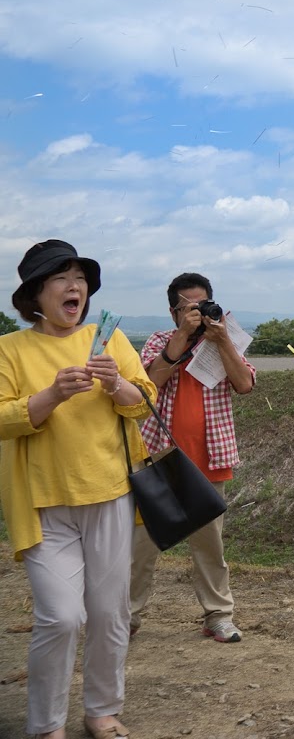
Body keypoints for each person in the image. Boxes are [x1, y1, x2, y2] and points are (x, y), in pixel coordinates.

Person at [0, 240, 158, 739]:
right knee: (62, 617)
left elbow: (144, 401)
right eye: (61, 279)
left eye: (81, 279)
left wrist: (117, 386)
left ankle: (102, 711)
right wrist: (49, 395)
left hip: (111, 494)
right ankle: (46, 725)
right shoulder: (11, 348)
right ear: (35, 295)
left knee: (111, 613)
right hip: (44, 505)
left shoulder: (108, 339)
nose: (75, 287)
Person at [131, 272, 256, 644]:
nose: (197, 313)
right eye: (188, 308)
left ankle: (218, 616)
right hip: (159, 456)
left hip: (210, 457)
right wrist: (182, 337)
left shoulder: (225, 339)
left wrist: (221, 343)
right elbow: (149, 385)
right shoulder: (159, 340)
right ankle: (127, 619)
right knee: (141, 545)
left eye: (202, 305)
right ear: (173, 312)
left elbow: (245, 384)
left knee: (210, 546)